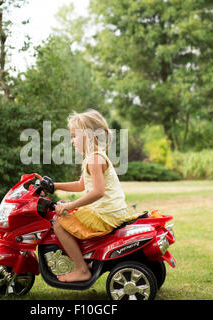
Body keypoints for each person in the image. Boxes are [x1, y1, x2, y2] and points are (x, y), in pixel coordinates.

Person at [37, 109, 139, 283]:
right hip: (107, 210)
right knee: (66, 212)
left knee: (58, 224)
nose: (72, 140)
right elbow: (82, 185)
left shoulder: (94, 159)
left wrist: (69, 206)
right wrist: (53, 186)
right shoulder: (93, 157)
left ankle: (81, 270)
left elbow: (98, 192)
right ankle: (85, 258)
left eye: (74, 136)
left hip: (105, 214)